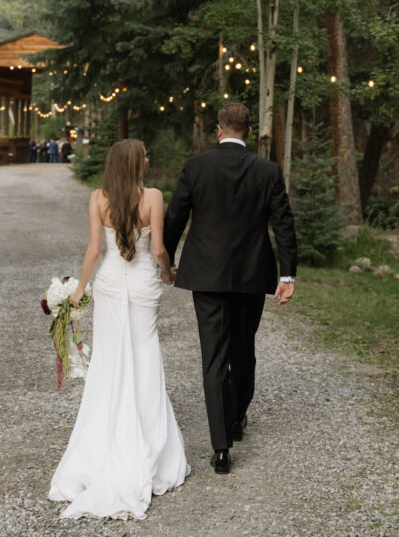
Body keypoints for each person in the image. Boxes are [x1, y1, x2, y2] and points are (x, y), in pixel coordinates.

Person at [49, 139, 189, 519]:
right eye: (144, 154)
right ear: (134, 162)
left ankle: (108, 438)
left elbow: (95, 249)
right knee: (144, 353)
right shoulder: (154, 197)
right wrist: (168, 271)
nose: (148, 157)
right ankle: (146, 441)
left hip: (110, 281)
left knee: (111, 358)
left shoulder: (98, 197)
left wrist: (79, 289)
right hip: (142, 281)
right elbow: (158, 247)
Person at [163, 103, 298, 476]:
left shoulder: (196, 167)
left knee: (214, 356)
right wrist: (287, 276)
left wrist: (168, 261)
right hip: (253, 275)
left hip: (206, 275)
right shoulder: (267, 170)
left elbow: (175, 216)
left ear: (218, 130)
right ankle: (237, 418)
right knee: (243, 347)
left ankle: (221, 448)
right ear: (249, 133)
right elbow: (283, 224)